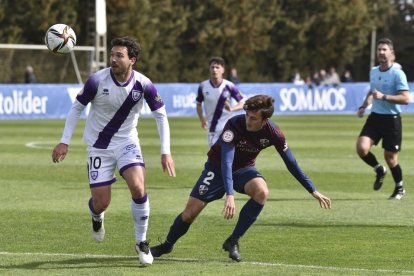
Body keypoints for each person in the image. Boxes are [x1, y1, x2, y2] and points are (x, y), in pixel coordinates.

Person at [150, 95, 332, 262]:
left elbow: (291, 162)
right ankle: (167, 245)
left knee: (262, 192)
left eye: (253, 118)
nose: (248, 121)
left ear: (265, 120)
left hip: (244, 169)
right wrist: (230, 195)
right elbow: (226, 162)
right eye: (247, 115)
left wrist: (312, 190)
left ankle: (233, 241)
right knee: (189, 214)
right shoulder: (234, 125)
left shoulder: (273, 133)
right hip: (216, 168)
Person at [51, 36, 176, 265]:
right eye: (112, 54)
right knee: (102, 202)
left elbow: (161, 115)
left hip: (127, 142)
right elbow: (76, 108)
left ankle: (141, 242)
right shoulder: (96, 80)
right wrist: (64, 141)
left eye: (119, 55)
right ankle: (96, 216)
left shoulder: (144, 84)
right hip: (99, 147)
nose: (113, 59)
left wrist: (165, 151)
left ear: (132, 60)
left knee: (138, 187)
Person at [356, 37, 410, 200]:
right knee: (362, 148)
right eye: (379, 50)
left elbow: (405, 98)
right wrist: (364, 106)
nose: (381, 52)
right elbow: (372, 92)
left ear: (391, 53)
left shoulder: (398, 74)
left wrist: (384, 97)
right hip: (375, 118)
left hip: (391, 119)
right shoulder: (374, 71)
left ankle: (399, 188)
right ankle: (379, 169)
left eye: (384, 49)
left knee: (391, 157)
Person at [196, 57, 245, 148]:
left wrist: (232, 108)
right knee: (214, 159)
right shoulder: (203, 86)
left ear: (223, 70)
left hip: (228, 128)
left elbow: (243, 103)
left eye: (217, 67)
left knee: (229, 158)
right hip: (212, 128)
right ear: (209, 69)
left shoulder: (229, 85)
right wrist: (202, 120)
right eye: (212, 67)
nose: (215, 69)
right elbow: (198, 104)